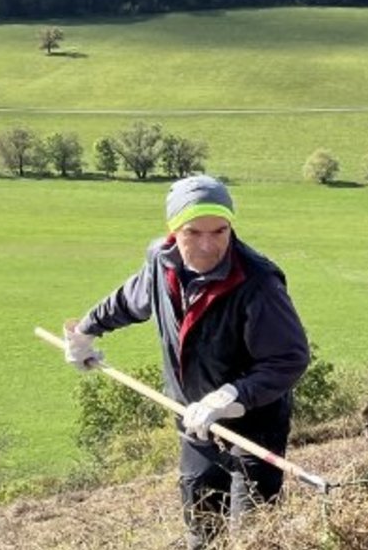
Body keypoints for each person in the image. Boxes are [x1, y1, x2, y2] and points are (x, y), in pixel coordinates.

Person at [63, 175, 310, 548]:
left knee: (254, 536)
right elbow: (130, 300)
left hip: (253, 427)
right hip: (193, 423)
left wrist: (229, 396)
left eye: (220, 231)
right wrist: (85, 330)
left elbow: (289, 359)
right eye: (193, 232)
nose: (208, 245)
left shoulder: (256, 283)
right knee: (202, 526)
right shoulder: (161, 262)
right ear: (173, 229)